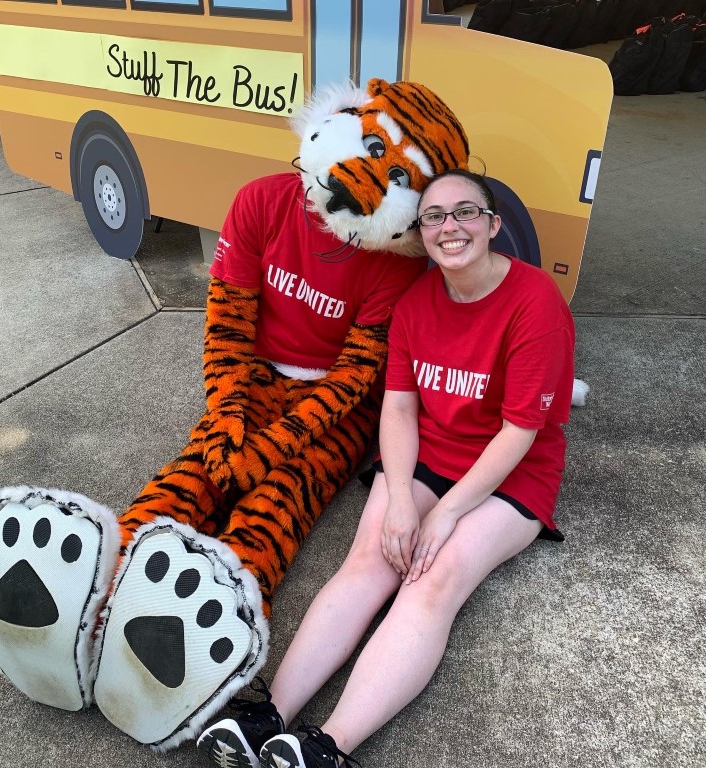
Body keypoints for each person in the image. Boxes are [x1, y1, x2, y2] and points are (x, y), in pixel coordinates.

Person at [197, 168, 576, 768]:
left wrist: (445, 514)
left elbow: (520, 432)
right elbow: (398, 408)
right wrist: (401, 499)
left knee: (431, 581)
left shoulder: (534, 303)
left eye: (465, 212)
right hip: (428, 456)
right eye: (434, 216)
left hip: (511, 475)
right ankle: (269, 715)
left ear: (492, 225)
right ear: (419, 231)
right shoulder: (416, 300)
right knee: (370, 560)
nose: (450, 226)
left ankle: (329, 746)